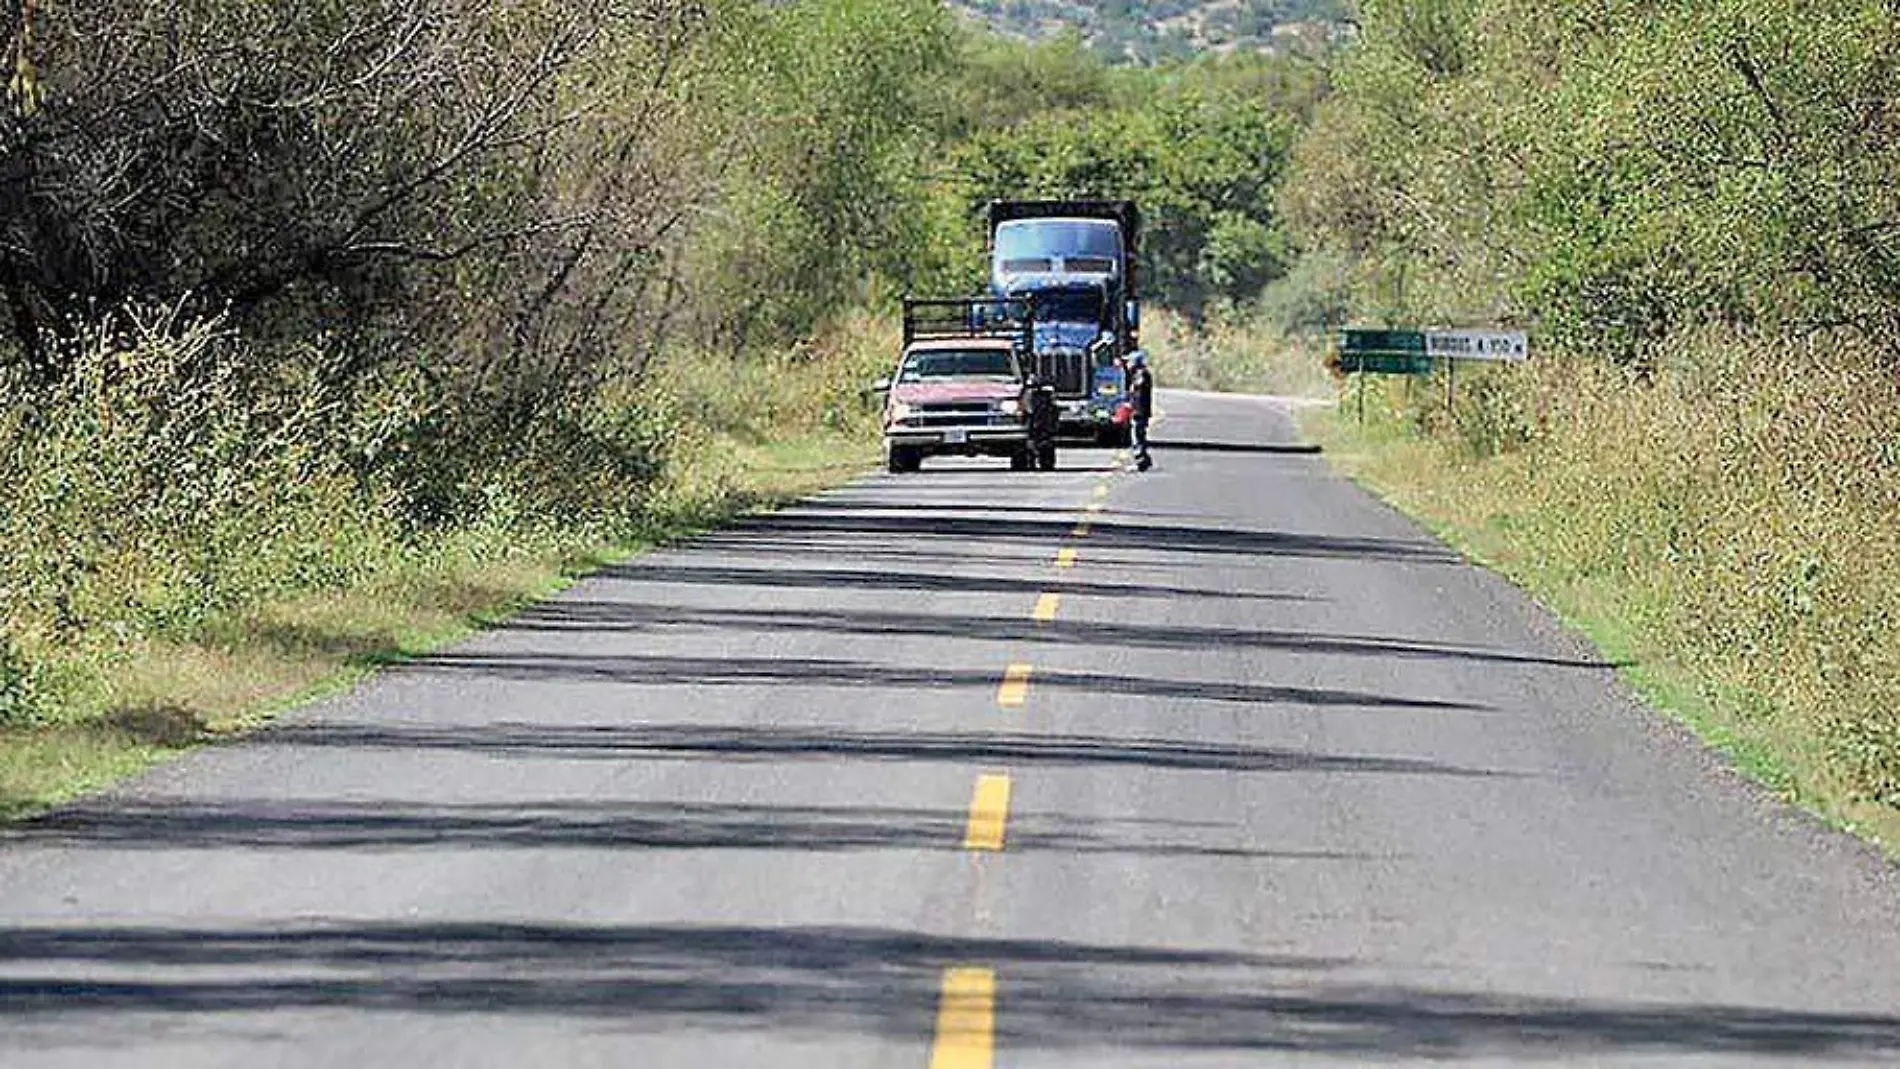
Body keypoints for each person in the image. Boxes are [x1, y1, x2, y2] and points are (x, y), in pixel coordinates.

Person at [1125, 350, 1154, 471]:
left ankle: (1141, 461)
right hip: (1139, 411)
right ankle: (1145, 460)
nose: (1127, 364)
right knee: (1139, 436)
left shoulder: (1141, 375)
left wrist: (1134, 409)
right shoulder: (1139, 375)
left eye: (1129, 362)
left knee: (1137, 436)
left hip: (1139, 412)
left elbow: (1139, 393)